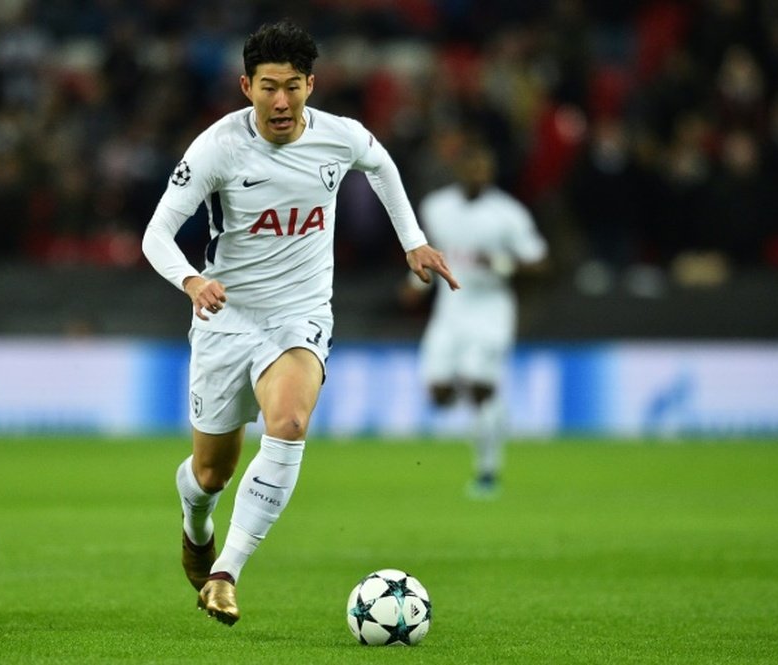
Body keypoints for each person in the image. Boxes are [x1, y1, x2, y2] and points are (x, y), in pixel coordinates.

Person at [140, 20, 459, 626]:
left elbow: (381, 163)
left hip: (301, 314)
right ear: (245, 86)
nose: (280, 101)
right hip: (226, 317)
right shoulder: (217, 149)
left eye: (292, 86)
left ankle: (225, 574)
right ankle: (196, 524)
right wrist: (192, 280)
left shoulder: (340, 137)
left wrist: (413, 242)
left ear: (311, 84)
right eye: (267, 87)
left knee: (288, 422)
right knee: (211, 473)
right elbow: (156, 233)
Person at [402, 138, 547, 499]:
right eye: (472, 167)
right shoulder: (437, 207)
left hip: (491, 309)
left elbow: (541, 263)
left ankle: (487, 471)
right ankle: (496, 417)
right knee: (439, 393)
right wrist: (414, 284)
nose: (478, 174)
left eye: (484, 168)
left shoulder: (508, 214)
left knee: (479, 387)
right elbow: (431, 253)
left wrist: (500, 263)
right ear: (460, 169)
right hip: (449, 311)